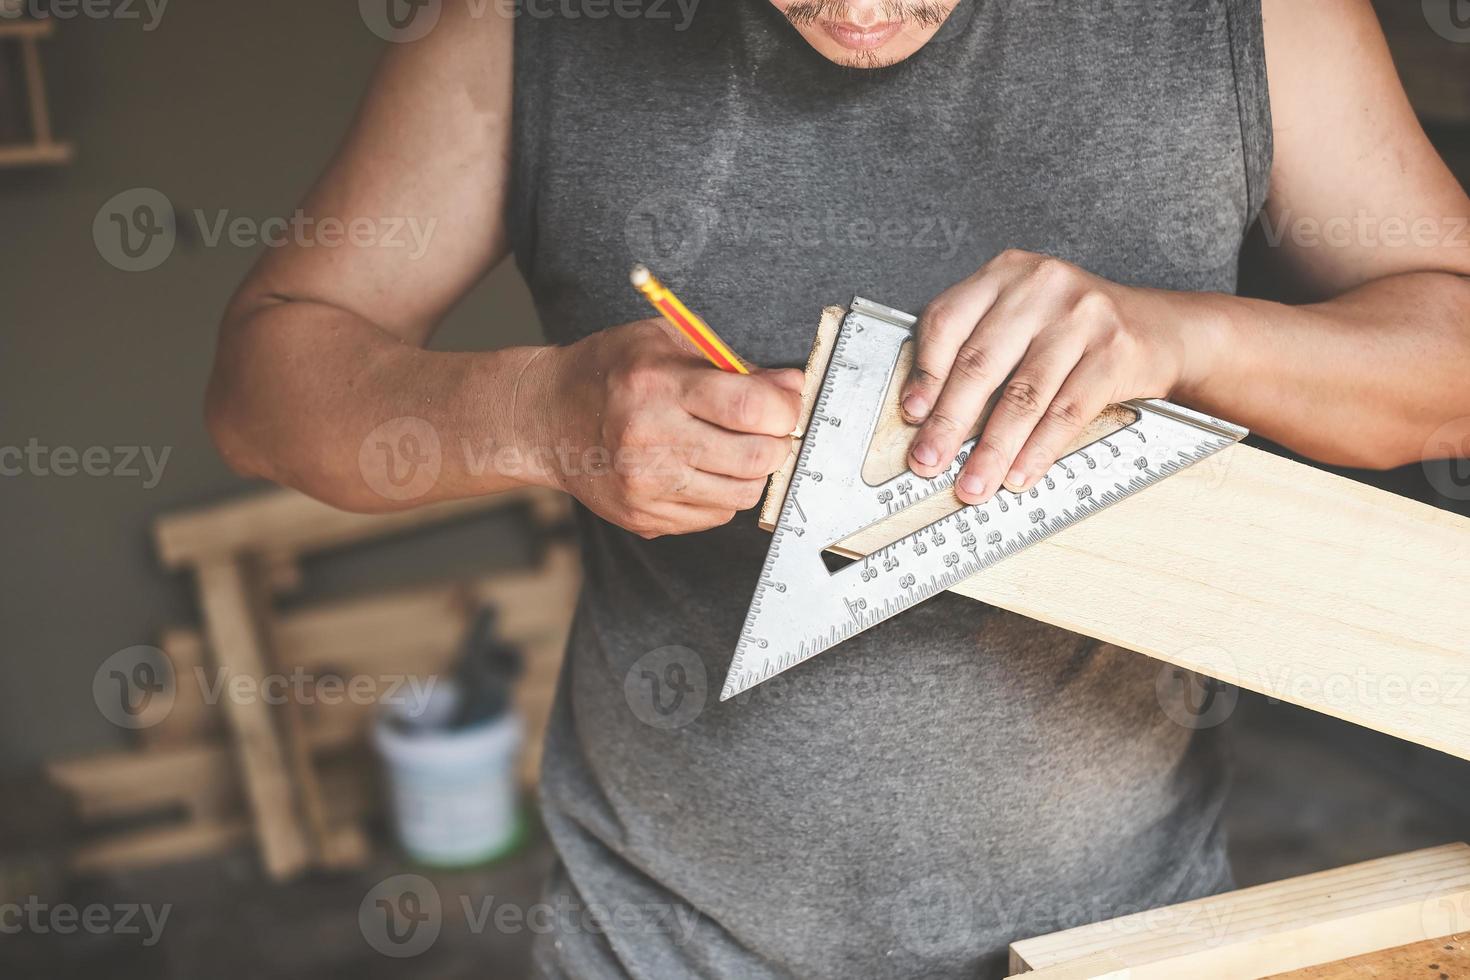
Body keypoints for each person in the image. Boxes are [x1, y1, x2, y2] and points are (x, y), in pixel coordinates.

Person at [204, 1, 1470, 976]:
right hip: (660, 934)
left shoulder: (1247, 18)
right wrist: (539, 417)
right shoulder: (522, 27)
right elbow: (263, 385)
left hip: (1127, 935)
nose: (860, 10)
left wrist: (1192, 340)